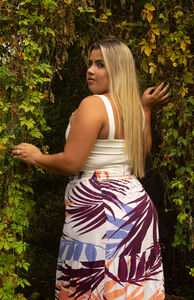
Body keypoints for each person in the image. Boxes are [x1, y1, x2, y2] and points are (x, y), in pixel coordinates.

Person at [13, 39, 169, 299]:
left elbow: (72, 162)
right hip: (135, 207)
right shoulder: (132, 107)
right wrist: (146, 110)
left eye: (100, 65)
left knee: (90, 286)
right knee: (129, 287)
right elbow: (141, 153)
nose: (90, 70)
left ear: (118, 70)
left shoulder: (94, 104)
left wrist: (37, 157)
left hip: (98, 208)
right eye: (90, 63)